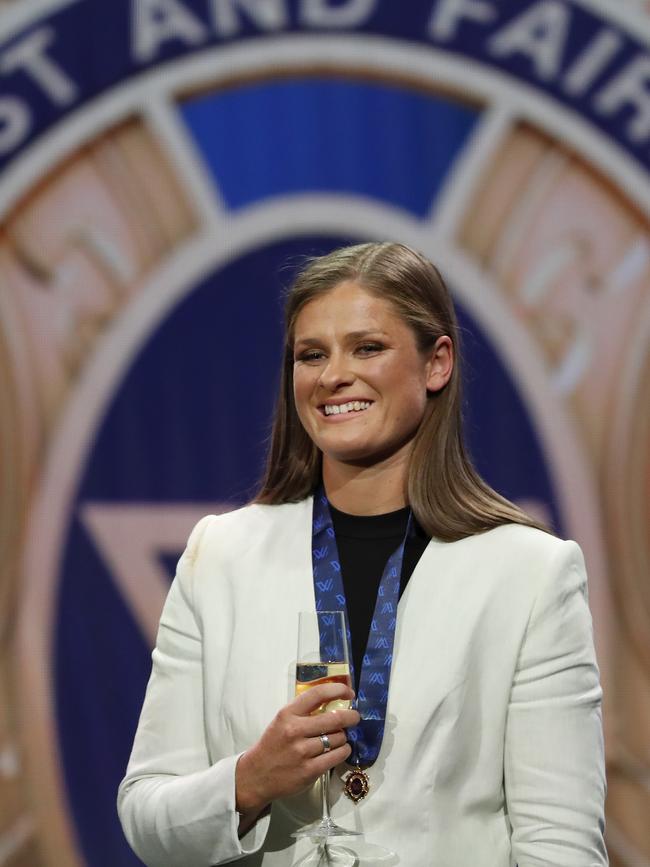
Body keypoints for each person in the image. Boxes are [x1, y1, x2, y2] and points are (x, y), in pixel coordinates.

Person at [117, 242, 607, 866]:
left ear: (437, 364)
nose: (332, 376)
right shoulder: (219, 557)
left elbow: (561, 847)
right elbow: (146, 818)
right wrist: (249, 781)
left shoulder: (531, 574)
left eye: (367, 347)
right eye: (310, 355)